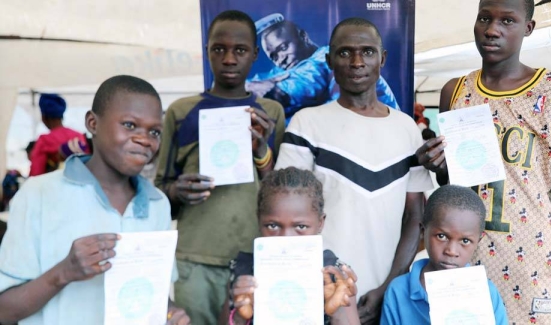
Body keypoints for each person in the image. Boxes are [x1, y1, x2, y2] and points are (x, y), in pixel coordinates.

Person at [416, 0, 551, 323]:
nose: (492, 30)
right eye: (484, 18)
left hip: (530, 265)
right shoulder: (456, 92)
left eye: (507, 21)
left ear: (528, 28)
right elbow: (453, 186)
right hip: (463, 257)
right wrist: (439, 166)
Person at [275, 18, 433, 324]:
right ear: (329, 60)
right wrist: (323, 287)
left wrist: (388, 286)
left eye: (368, 52)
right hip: (319, 294)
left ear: (382, 59)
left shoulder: (406, 128)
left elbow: (416, 217)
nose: (357, 62)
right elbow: (286, 218)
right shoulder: (307, 123)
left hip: (387, 297)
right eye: (345, 53)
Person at [0, 75, 190, 325]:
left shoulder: (157, 203)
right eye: (130, 125)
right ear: (92, 123)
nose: (145, 139)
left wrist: (170, 313)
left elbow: (153, 293)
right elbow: (5, 311)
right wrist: (63, 272)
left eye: (154, 131)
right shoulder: (38, 195)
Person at [154, 10, 286, 325]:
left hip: (255, 257)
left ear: (254, 54)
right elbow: (158, 194)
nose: (229, 58)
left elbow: (281, 194)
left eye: (239, 50)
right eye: (219, 49)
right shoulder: (181, 112)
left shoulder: (270, 113)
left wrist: (262, 150)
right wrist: (176, 190)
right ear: (207, 51)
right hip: (195, 259)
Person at [219, 167, 360, 325]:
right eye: (273, 226)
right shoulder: (243, 275)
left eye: (300, 227)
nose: (286, 238)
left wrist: (338, 312)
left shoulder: (336, 277)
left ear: (320, 223)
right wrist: (239, 317)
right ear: (259, 220)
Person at [380, 185, 508, 324]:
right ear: (423, 231)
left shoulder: (486, 293)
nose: (451, 251)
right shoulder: (398, 291)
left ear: (478, 240)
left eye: (465, 241)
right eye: (441, 236)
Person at [246, 13, 399, 121]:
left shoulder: (324, 59)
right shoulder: (288, 68)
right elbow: (263, 80)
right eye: (273, 56)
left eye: (284, 47)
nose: (280, 58)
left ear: (303, 36)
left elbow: (299, 84)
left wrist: (265, 89)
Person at [29, 94, 88, 176]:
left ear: (44, 117)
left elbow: (36, 173)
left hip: (52, 186)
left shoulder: (44, 140)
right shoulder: (78, 136)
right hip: (80, 184)